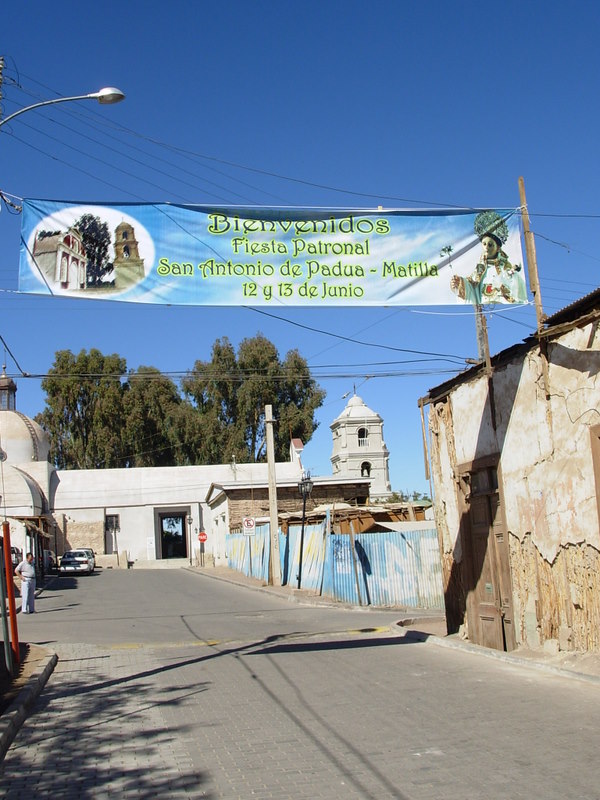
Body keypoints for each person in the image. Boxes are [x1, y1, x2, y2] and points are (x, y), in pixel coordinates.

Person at [450, 210, 526, 305]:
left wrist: (511, 275)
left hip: (503, 306)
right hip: (484, 307)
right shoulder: (480, 269)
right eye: (484, 244)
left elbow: (515, 287)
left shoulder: (505, 266)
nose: (486, 248)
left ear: (498, 247)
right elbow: (471, 287)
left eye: (490, 245)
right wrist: (460, 282)